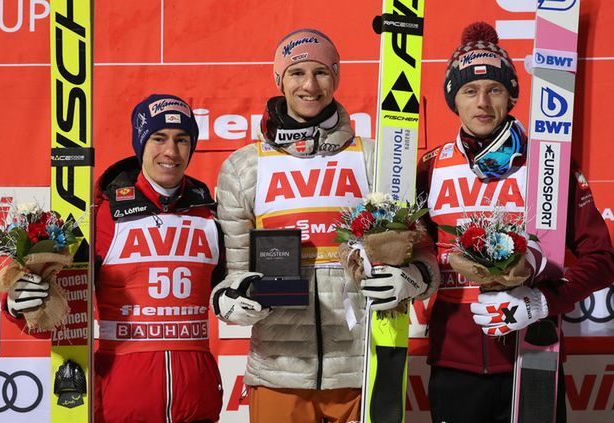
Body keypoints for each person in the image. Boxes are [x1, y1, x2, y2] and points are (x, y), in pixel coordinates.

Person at [209, 28, 440, 423]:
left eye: (322, 72)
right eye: (297, 73)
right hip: (278, 369)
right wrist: (229, 302)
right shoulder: (245, 166)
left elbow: (422, 252)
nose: (310, 85)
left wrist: (414, 280)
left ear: (336, 76)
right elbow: (232, 273)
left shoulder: (374, 158)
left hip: (362, 364)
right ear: (279, 78)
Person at [417, 22, 614, 423]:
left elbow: (602, 259)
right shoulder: (431, 167)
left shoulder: (548, 165)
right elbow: (415, 249)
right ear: (454, 100)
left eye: (495, 89)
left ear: (512, 96)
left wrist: (545, 300)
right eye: (470, 91)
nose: (483, 102)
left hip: (535, 355)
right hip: (454, 366)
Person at [91, 94, 224, 422]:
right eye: (158, 138)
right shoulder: (102, 214)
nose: (171, 152)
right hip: (120, 406)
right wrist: (17, 300)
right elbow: (55, 297)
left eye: (182, 140)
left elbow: (234, 294)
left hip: (196, 403)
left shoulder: (211, 215)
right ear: (140, 143)